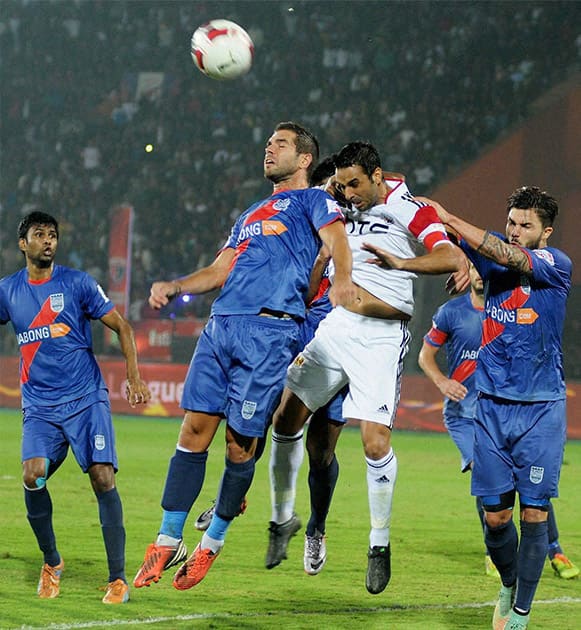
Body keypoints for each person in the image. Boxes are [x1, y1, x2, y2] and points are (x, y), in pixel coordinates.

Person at [133, 122, 356, 592]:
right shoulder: (251, 213)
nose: (268, 149)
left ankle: (210, 544)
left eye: (280, 145)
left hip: (270, 331)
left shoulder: (316, 201)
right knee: (193, 429)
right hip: (222, 325)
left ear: (304, 160)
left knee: (240, 445)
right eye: (268, 143)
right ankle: (167, 538)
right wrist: (176, 286)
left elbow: (336, 241)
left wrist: (341, 277)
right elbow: (221, 268)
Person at [265, 141, 464, 594]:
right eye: (342, 184)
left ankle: (379, 544)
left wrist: (403, 262)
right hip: (337, 327)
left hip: (381, 337)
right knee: (285, 418)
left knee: (374, 445)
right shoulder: (338, 199)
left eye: (356, 184)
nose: (348, 193)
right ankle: (281, 519)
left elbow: (450, 255)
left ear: (377, 176)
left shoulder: (405, 206)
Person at [422, 187, 572, 630]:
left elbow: (508, 256)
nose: (516, 231)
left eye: (526, 225)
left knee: (534, 513)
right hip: (489, 410)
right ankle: (508, 584)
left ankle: (521, 614)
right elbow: (465, 254)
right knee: (496, 516)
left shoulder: (555, 265)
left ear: (546, 232)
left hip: (541, 410)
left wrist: (450, 217)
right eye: (511, 223)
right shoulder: (491, 262)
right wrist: (463, 263)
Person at [191, 156, 348, 578]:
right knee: (259, 414)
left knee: (322, 446)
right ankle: (233, 496)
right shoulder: (305, 219)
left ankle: (316, 527)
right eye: (330, 187)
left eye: (340, 188)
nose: (336, 194)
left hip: (330, 334)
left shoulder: (353, 229)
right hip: (291, 324)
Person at [0, 211, 151, 604]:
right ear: (23, 244)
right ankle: (52, 562)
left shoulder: (78, 283)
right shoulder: (8, 291)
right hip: (40, 406)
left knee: (102, 477)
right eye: (39, 235)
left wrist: (134, 377)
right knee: (33, 476)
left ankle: (118, 578)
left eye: (52, 235)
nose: (48, 241)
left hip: (85, 399)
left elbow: (122, 326)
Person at [419, 264, 579, 581]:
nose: (480, 275)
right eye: (474, 268)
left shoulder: (508, 311)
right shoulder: (451, 312)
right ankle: (495, 552)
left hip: (506, 412)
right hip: (464, 416)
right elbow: (426, 355)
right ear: (466, 272)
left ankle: (555, 549)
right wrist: (441, 382)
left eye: (485, 270)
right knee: (487, 476)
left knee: (530, 481)